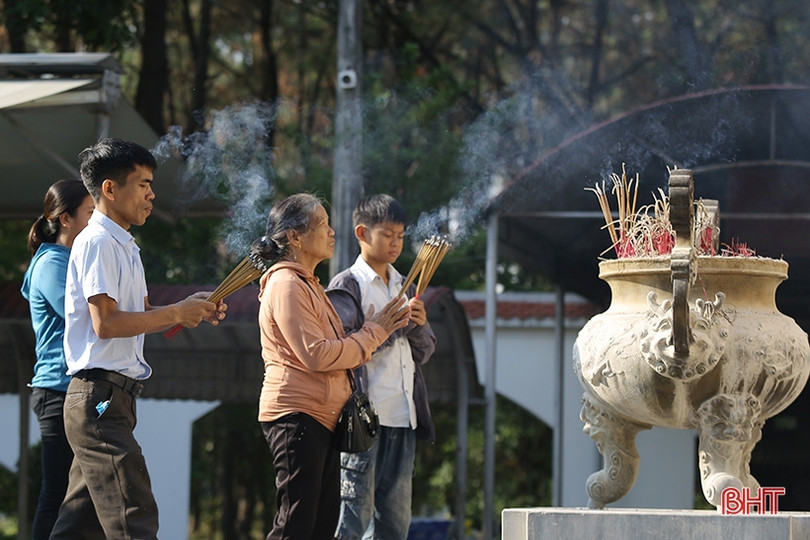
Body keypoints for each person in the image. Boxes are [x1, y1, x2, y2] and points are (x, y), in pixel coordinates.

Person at [49, 138, 228, 539]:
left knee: (77, 528)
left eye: (151, 184)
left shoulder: (124, 245)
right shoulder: (98, 242)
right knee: (135, 516)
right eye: (143, 184)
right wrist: (176, 313)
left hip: (111, 399)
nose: (152, 194)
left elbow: (141, 316)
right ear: (109, 189)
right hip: (99, 398)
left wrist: (187, 308)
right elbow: (106, 324)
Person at [251, 193, 411, 540]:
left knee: (320, 527)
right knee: (296, 525)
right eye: (322, 224)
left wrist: (378, 330)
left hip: (320, 417)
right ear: (294, 237)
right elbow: (317, 355)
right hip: (297, 415)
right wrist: (374, 331)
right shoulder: (286, 283)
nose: (332, 231)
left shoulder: (308, 284)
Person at [327, 194, 437, 540]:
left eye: (400, 236)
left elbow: (425, 351)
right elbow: (342, 352)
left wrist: (418, 326)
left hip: (403, 416)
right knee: (353, 517)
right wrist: (389, 328)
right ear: (362, 232)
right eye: (387, 234)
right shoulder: (347, 286)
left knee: (395, 522)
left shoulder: (407, 285)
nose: (395, 243)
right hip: (363, 420)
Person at [20, 179, 94, 539]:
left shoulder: (72, 260)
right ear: (65, 219)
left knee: (79, 495)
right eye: (90, 213)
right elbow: (84, 316)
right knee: (58, 494)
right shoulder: (52, 262)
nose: (96, 220)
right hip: (57, 392)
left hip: (71, 392)